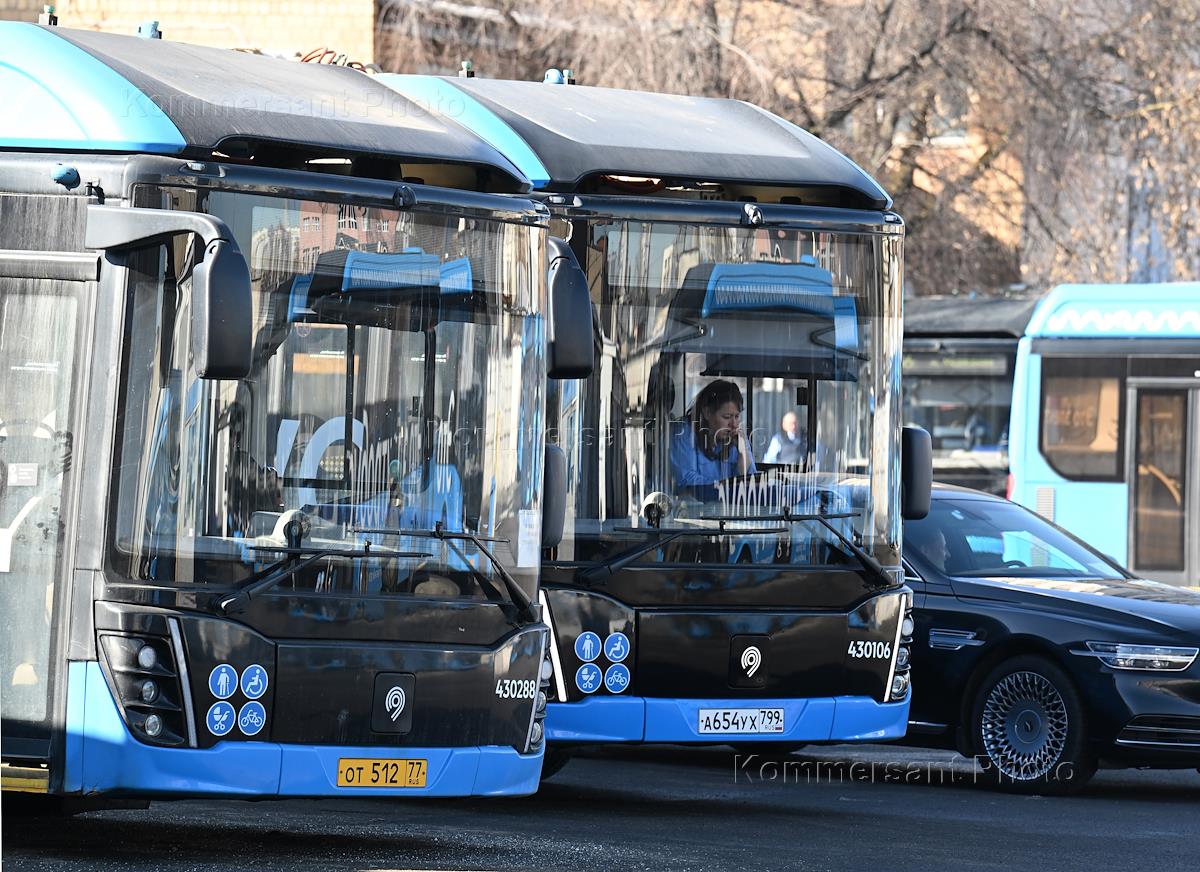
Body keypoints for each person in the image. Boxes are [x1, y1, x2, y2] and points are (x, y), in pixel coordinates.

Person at [670, 379, 756, 500]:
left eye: (737, 416)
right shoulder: (683, 433)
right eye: (727, 417)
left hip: (730, 508)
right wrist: (726, 488)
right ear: (707, 413)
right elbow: (687, 481)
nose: (734, 424)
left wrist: (743, 455)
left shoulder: (738, 438)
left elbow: (752, 486)